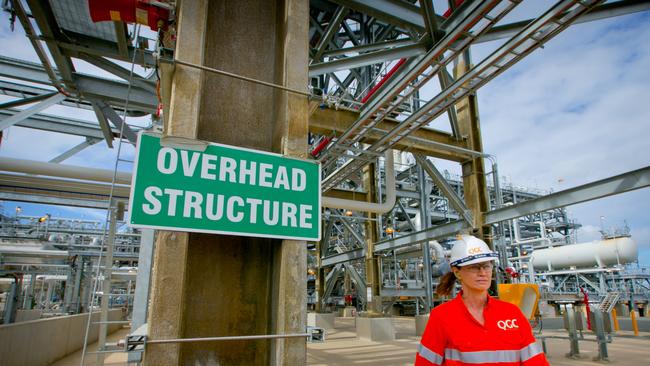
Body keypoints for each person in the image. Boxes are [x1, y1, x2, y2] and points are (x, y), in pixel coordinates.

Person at [415, 235, 549, 366]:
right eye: (474, 267)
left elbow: (536, 361)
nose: (483, 273)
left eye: (486, 266)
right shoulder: (442, 316)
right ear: (457, 272)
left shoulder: (512, 313)